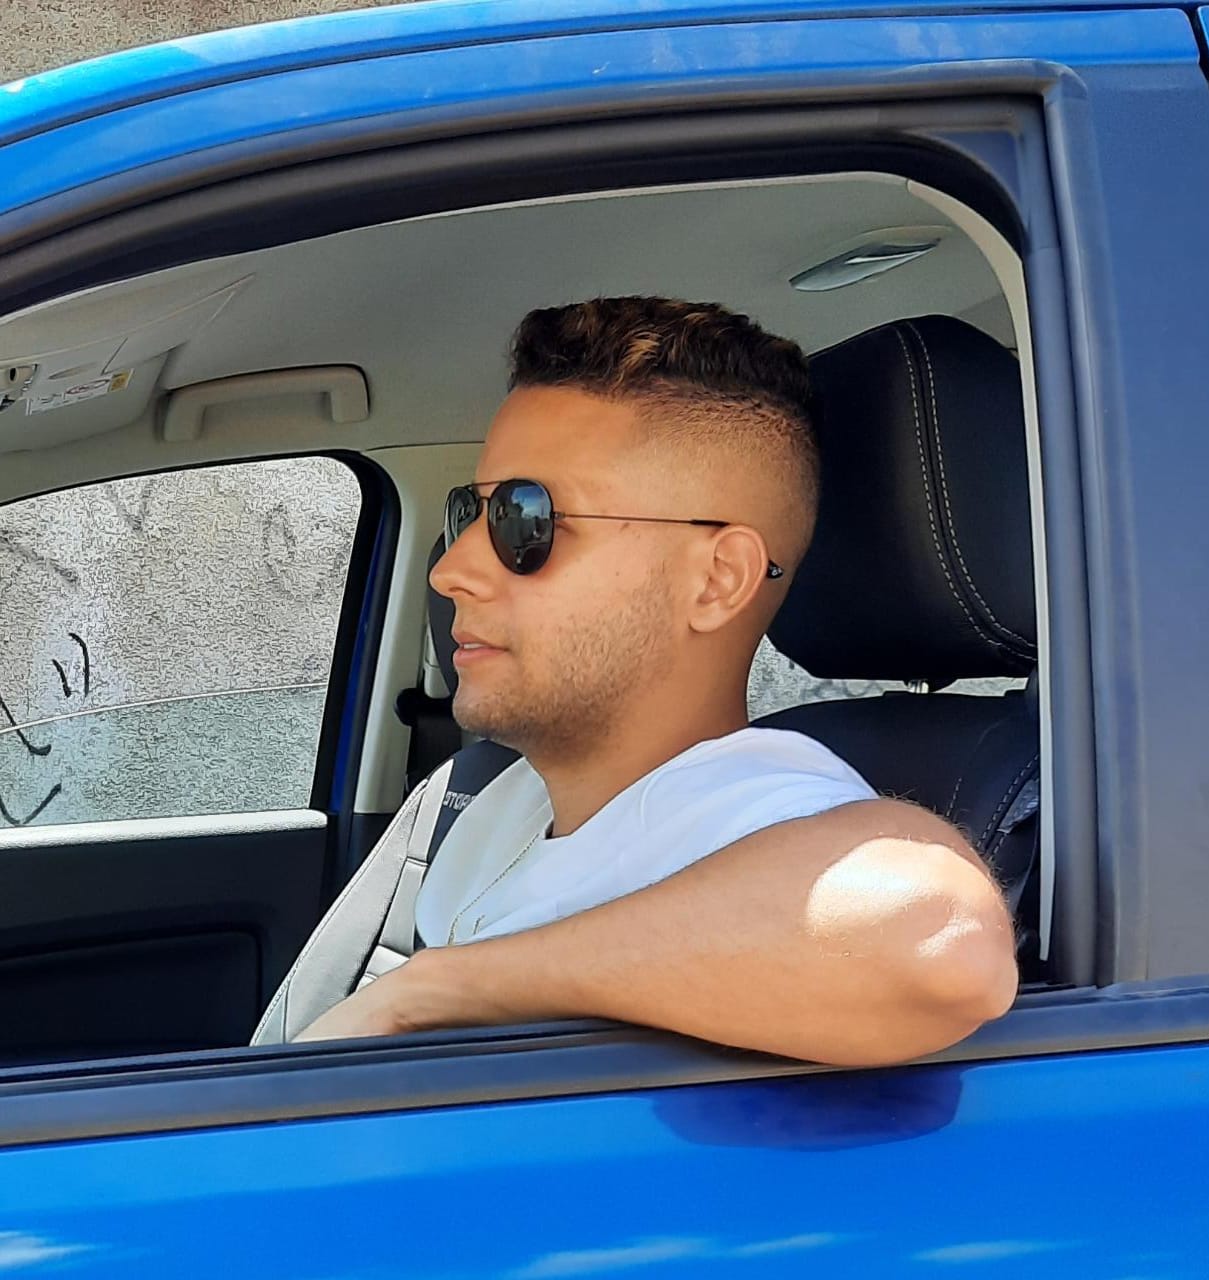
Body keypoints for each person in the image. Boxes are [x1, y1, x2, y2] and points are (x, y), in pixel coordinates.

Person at [294, 296, 1018, 1063]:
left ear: (717, 580)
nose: (451, 571)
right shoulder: (499, 800)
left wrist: (427, 992)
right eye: (468, 513)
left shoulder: (759, 812)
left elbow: (943, 945)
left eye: (523, 517)